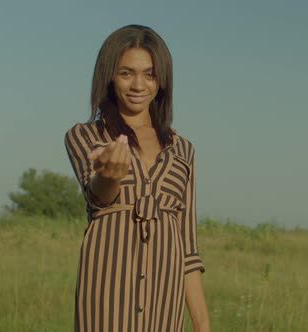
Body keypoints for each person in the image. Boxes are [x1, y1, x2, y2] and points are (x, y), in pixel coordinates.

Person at [64, 24, 211, 332]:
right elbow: (99, 197)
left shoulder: (183, 149)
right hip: (108, 290)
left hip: (165, 296)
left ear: (162, 81)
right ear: (109, 76)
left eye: (150, 74)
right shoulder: (85, 136)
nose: (138, 85)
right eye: (127, 73)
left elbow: (188, 249)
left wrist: (202, 326)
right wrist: (110, 175)